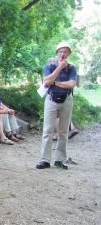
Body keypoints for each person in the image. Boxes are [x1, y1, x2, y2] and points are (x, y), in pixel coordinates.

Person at [37, 42, 77, 170]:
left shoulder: (72, 68)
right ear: (57, 53)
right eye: (60, 51)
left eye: (65, 51)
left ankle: (60, 160)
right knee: (47, 130)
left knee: (63, 131)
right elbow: (46, 81)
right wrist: (59, 68)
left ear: (69, 54)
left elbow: (71, 84)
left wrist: (56, 82)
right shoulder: (49, 66)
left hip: (67, 100)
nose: (63, 54)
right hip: (51, 99)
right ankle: (45, 160)